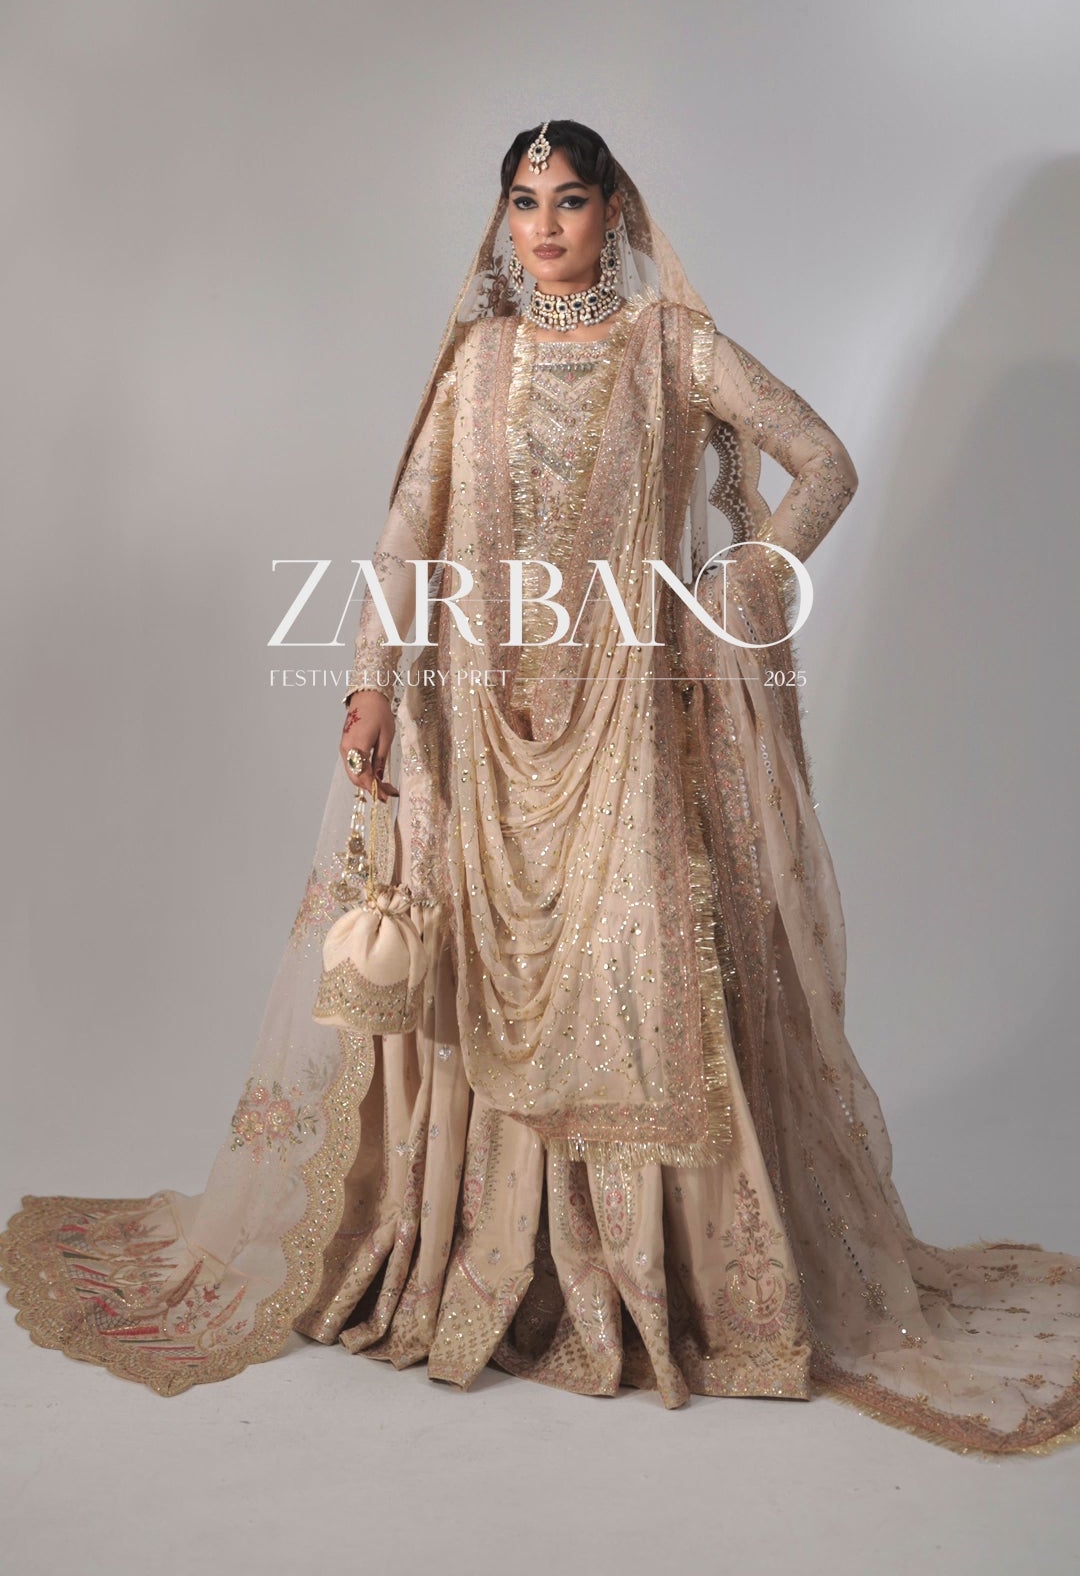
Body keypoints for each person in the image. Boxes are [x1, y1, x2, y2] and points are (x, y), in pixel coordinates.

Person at [3, 120, 1079, 1458]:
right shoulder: (480, 361)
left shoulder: (674, 348)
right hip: (478, 714)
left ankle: (661, 1289)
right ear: (504, 219)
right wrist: (372, 683)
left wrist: (735, 588)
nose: (549, 225)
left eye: (572, 199)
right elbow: (408, 533)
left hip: (630, 726)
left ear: (614, 210)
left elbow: (824, 461)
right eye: (526, 202)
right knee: (480, 972)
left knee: (635, 973)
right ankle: (479, 1261)